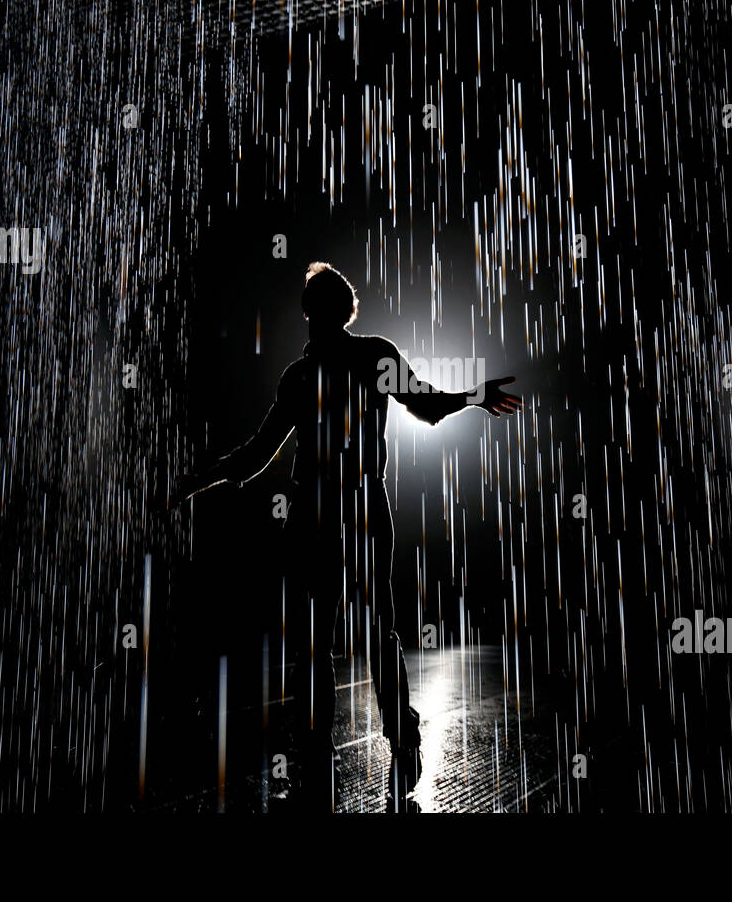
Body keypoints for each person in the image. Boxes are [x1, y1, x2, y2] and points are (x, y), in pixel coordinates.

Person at [167, 262, 521, 812]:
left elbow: (257, 457)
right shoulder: (367, 356)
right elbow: (424, 406)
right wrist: (474, 395)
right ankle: (390, 737)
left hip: (319, 513)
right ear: (339, 310)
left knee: (321, 640)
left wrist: (198, 480)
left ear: (312, 311)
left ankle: (319, 756)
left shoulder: (304, 376)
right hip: (356, 506)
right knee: (374, 630)